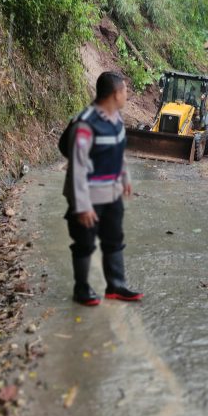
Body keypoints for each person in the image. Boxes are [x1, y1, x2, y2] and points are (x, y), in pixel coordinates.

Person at [63, 71, 143, 306]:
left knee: (114, 239)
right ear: (116, 94)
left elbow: (119, 152)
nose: (127, 95)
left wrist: (125, 177)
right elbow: (77, 167)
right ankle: (82, 288)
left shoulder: (117, 119)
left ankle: (116, 286)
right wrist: (83, 205)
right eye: (125, 90)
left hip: (111, 193)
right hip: (88, 196)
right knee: (85, 243)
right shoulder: (86, 124)